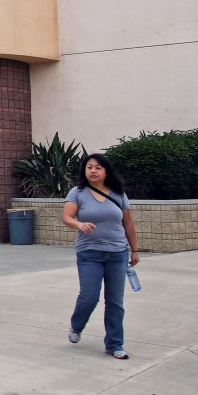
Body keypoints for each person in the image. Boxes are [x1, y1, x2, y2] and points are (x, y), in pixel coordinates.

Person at [62, 153, 140, 360]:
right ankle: (77, 325)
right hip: (89, 253)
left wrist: (135, 249)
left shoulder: (118, 193)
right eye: (89, 167)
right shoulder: (77, 192)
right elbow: (67, 217)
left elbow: (128, 223)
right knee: (89, 296)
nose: (93, 171)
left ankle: (114, 344)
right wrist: (79, 224)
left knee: (115, 301)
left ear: (106, 171)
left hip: (118, 253)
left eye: (97, 167)